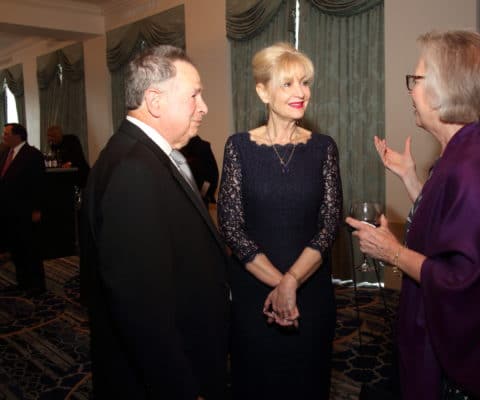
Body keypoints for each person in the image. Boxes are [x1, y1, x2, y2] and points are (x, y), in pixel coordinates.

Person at [346, 30, 480, 399]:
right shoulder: (471, 146)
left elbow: (463, 279)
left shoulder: (472, 169)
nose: (410, 90)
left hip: (461, 361)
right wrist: (411, 178)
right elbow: (450, 225)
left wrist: (392, 252)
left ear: (444, 89)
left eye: (415, 79)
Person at [79, 45, 230, 399]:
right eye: (194, 95)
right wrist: (181, 388)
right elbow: (142, 307)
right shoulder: (134, 170)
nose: (204, 107)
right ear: (155, 101)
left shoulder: (146, 155)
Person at [217, 42, 342, 399]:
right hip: (255, 292)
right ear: (263, 92)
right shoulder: (238, 147)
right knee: (257, 383)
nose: (301, 92)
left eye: (304, 82)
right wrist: (282, 286)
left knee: (307, 381)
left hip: (311, 291)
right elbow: (231, 226)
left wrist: (292, 282)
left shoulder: (324, 148)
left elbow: (329, 224)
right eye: (287, 84)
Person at [0, 123, 46, 294]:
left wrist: (37, 209)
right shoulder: (6, 153)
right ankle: (23, 282)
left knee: (30, 248)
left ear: (17, 136)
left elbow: (39, 184)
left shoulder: (32, 154)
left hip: (26, 210)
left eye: (6, 133)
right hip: (9, 210)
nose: (3, 136)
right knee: (16, 249)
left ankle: (37, 285)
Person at [180, 134, 219, 205]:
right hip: (189, 194)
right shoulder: (179, 148)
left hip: (198, 194)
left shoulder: (201, 148)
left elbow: (211, 176)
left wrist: (203, 195)